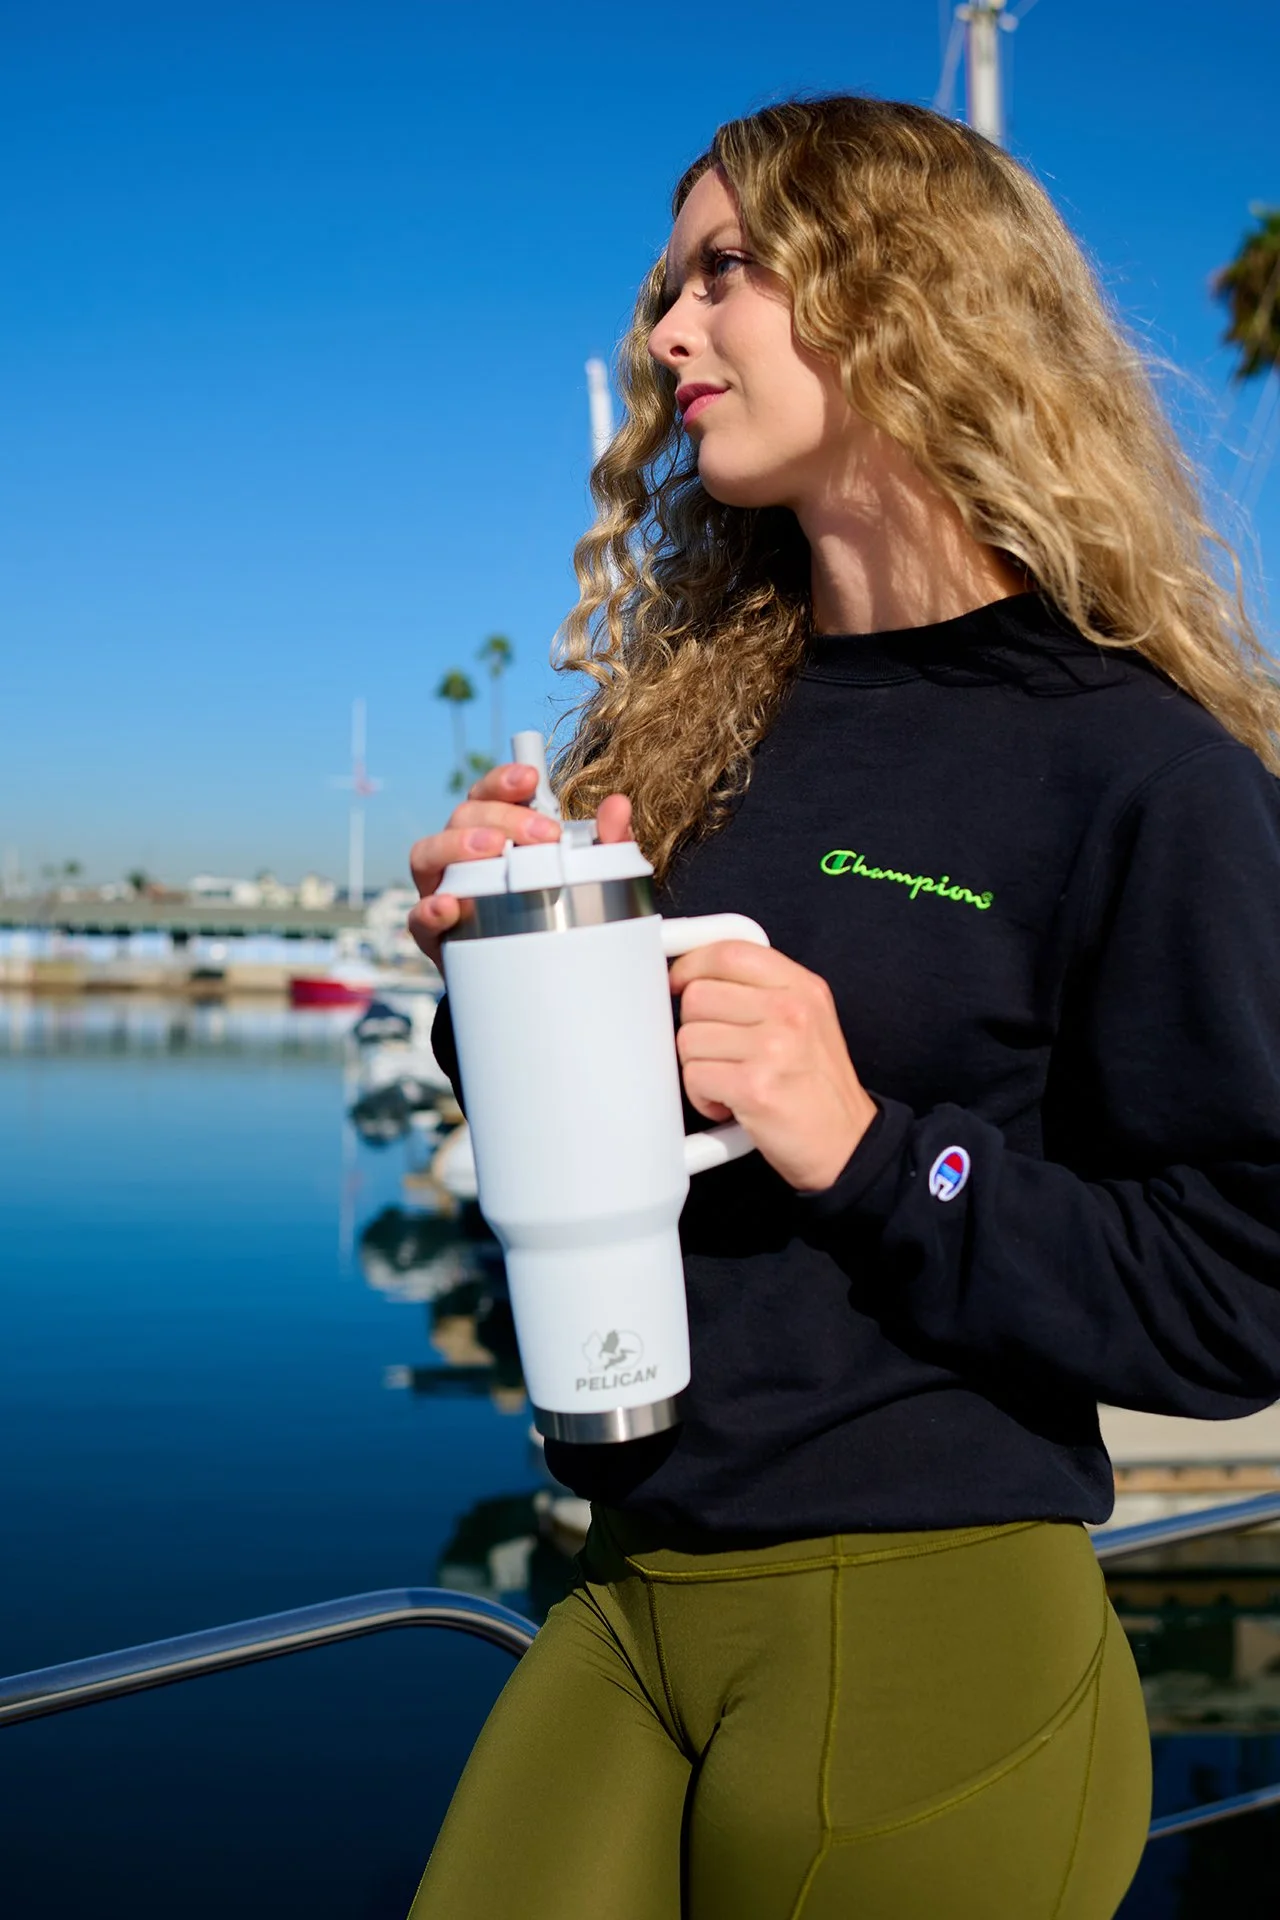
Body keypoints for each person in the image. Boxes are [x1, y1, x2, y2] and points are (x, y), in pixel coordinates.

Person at [404, 96, 1280, 1919]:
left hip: (927, 1615)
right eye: (669, 288)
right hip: (622, 1582)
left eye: (726, 272)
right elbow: (592, 1124)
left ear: (908, 296)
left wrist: (878, 1153)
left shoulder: (1139, 770)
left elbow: (1238, 1295)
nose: (666, 336)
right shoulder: (695, 731)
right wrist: (500, 968)